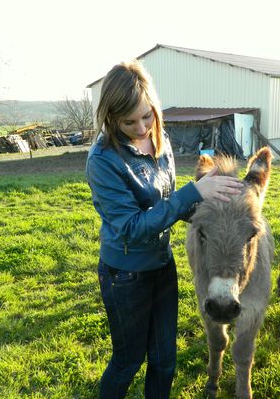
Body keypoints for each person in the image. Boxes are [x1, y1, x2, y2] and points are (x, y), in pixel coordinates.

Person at [86, 60, 243, 399]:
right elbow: (131, 228)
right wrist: (193, 192)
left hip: (161, 265)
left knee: (165, 360)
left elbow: (167, 201)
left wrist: (216, 212)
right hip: (125, 274)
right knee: (129, 360)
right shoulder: (103, 160)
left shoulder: (159, 140)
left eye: (147, 116)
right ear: (110, 117)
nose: (142, 128)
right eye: (129, 121)